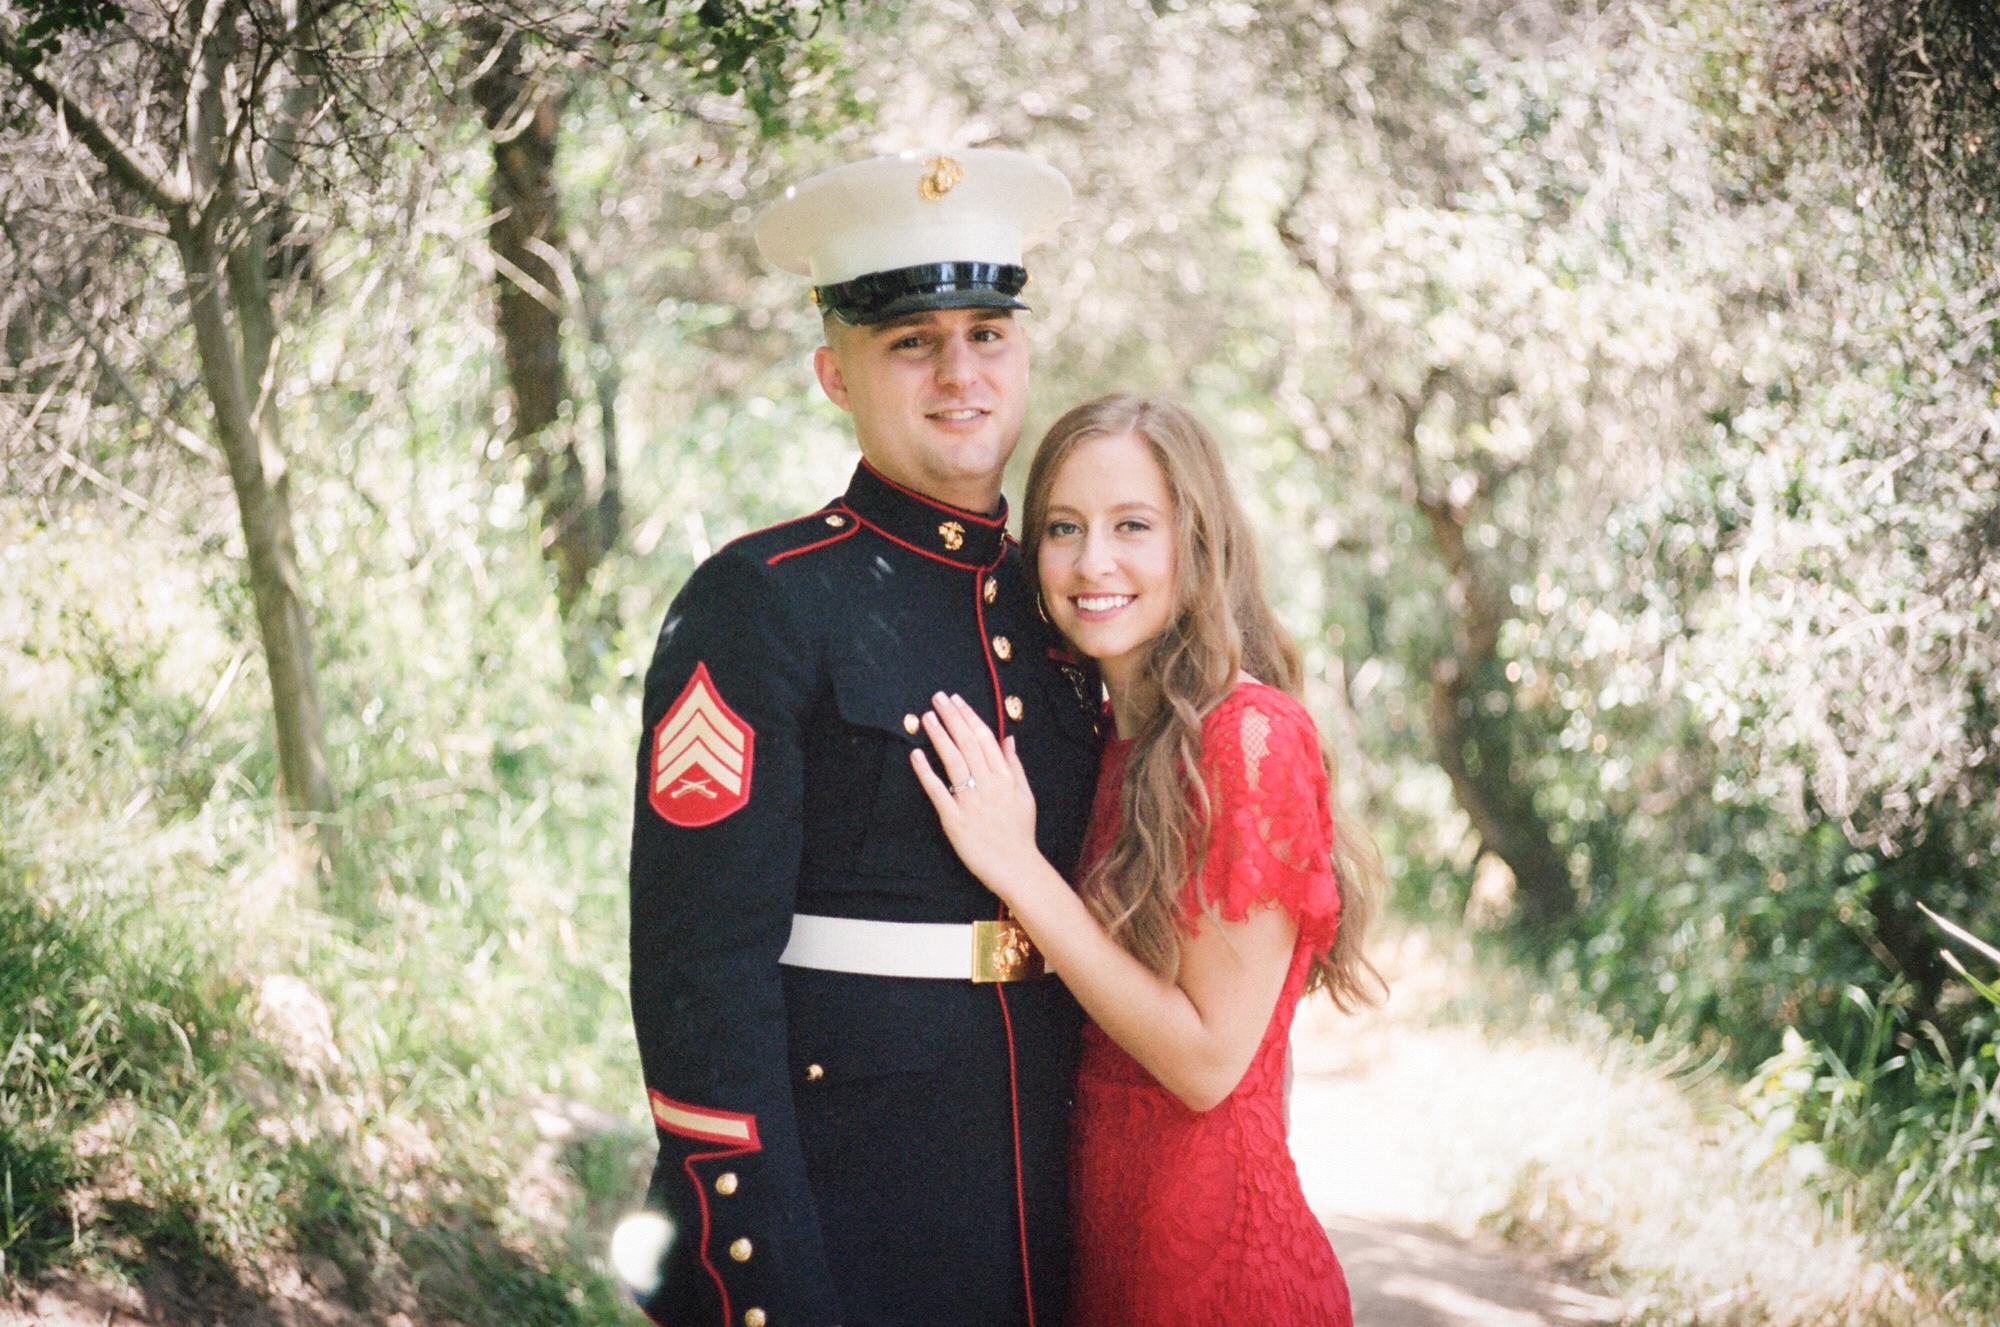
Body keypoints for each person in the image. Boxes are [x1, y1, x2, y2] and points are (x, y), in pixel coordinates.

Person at [619, 149, 1104, 1327]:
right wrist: (761, 1279)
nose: (959, 372)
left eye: (987, 334)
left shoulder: (1070, 606)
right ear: (833, 373)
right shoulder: (760, 601)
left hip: (1049, 1206)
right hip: (844, 1218)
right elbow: (699, 980)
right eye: (910, 342)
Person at [908, 393, 1386, 1326]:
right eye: (1064, 527)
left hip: (1219, 1276)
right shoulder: (1101, 741)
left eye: (1133, 525)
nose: (1094, 561)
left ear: (1196, 545)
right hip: (1105, 1259)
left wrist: (1019, 869)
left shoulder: (1249, 738)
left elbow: (1207, 1062)